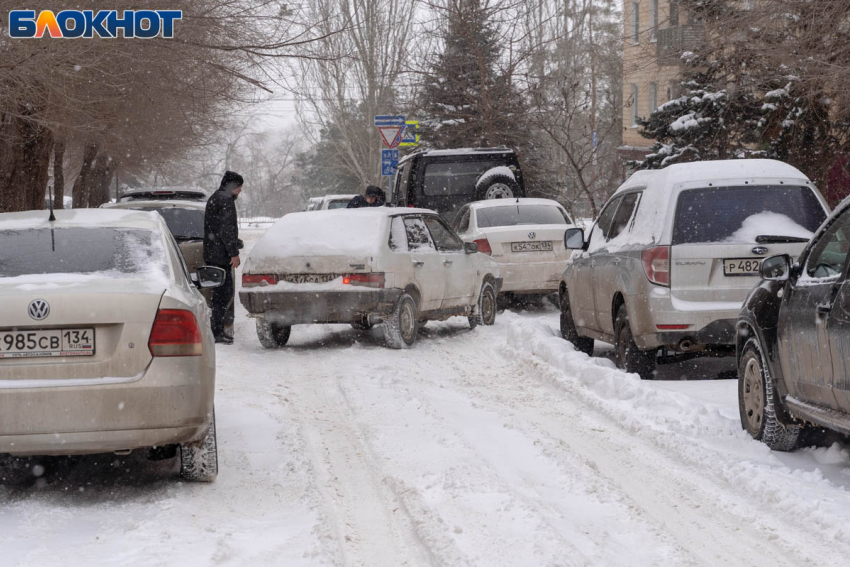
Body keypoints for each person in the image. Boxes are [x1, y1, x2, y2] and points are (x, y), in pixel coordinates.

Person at [204, 171, 243, 344]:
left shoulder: (215, 197)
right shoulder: (226, 200)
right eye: (239, 188)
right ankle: (216, 331)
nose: (239, 192)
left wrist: (235, 241)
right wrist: (233, 252)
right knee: (223, 293)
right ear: (233, 186)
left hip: (213, 252)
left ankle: (215, 330)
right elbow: (227, 229)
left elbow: (218, 227)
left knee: (218, 293)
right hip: (221, 256)